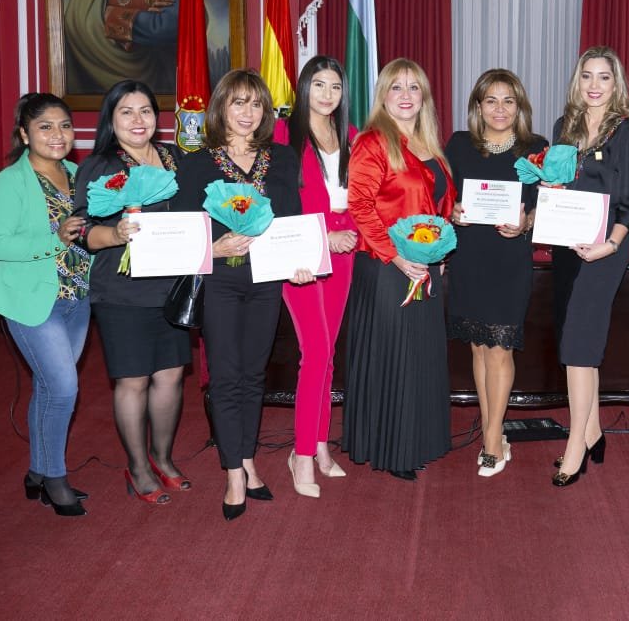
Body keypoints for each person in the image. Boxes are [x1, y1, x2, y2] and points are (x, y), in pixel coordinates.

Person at [174, 70, 310, 519]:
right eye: (238, 103)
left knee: (254, 375)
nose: (248, 113)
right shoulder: (198, 163)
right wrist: (214, 248)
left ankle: (248, 460)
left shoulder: (283, 158)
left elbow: (292, 219)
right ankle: (233, 471)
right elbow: (183, 229)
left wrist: (301, 260)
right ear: (221, 108)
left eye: (255, 104)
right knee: (226, 376)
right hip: (220, 282)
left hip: (267, 279)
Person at [74, 79, 189, 504]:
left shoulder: (175, 157)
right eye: (126, 111)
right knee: (133, 379)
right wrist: (116, 233)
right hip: (121, 289)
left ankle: (163, 457)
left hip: (172, 284)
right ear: (111, 119)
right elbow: (82, 230)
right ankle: (138, 467)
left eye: (145, 111)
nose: (138, 120)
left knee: (171, 374)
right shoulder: (101, 165)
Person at [343, 58, 456, 481]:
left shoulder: (430, 144)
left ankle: (417, 442)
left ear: (424, 96)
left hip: (425, 266)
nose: (406, 95)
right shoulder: (373, 141)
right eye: (396, 87)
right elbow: (360, 206)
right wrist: (395, 255)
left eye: (413, 87)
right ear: (383, 96)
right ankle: (392, 449)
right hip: (387, 269)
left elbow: (435, 205)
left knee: (420, 357)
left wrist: (445, 239)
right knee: (396, 360)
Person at [0, 93, 91, 517]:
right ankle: (55, 479)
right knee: (64, 388)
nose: (57, 134)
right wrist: (55, 239)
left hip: (78, 299)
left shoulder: (79, 175)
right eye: (45, 127)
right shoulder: (10, 181)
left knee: (48, 387)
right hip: (32, 302)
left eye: (64, 125)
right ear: (24, 135)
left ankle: (37, 472)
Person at [550, 46, 629, 487]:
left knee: (578, 345)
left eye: (604, 77)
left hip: (606, 248)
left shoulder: (628, 131)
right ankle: (592, 432)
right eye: (587, 76)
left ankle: (575, 446)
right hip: (567, 245)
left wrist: (611, 245)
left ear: (616, 83)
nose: (594, 85)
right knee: (578, 341)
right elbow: (558, 187)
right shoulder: (564, 127)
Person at [445, 69, 547, 478]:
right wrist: (452, 211)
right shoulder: (459, 144)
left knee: (501, 348)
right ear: (478, 106)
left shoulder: (535, 149)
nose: (500, 109)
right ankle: (495, 432)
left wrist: (526, 223)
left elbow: (545, 205)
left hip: (509, 260)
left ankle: (490, 441)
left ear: (519, 106)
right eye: (491, 100)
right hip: (468, 257)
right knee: (479, 348)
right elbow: (443, 196)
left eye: (508, 101)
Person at [276, 56, 359, 493]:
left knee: (327, 355)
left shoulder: (351, 135)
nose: (328, 95)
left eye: (335, 87)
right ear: (305, 87)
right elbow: (278, 200)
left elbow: (361, 196)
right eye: (320, 85)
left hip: (344, 254)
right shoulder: (283, 134)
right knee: (316, 351)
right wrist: (324, 235)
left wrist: (351, 234)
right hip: (302, 255)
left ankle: (321, 443)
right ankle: (302, 453)